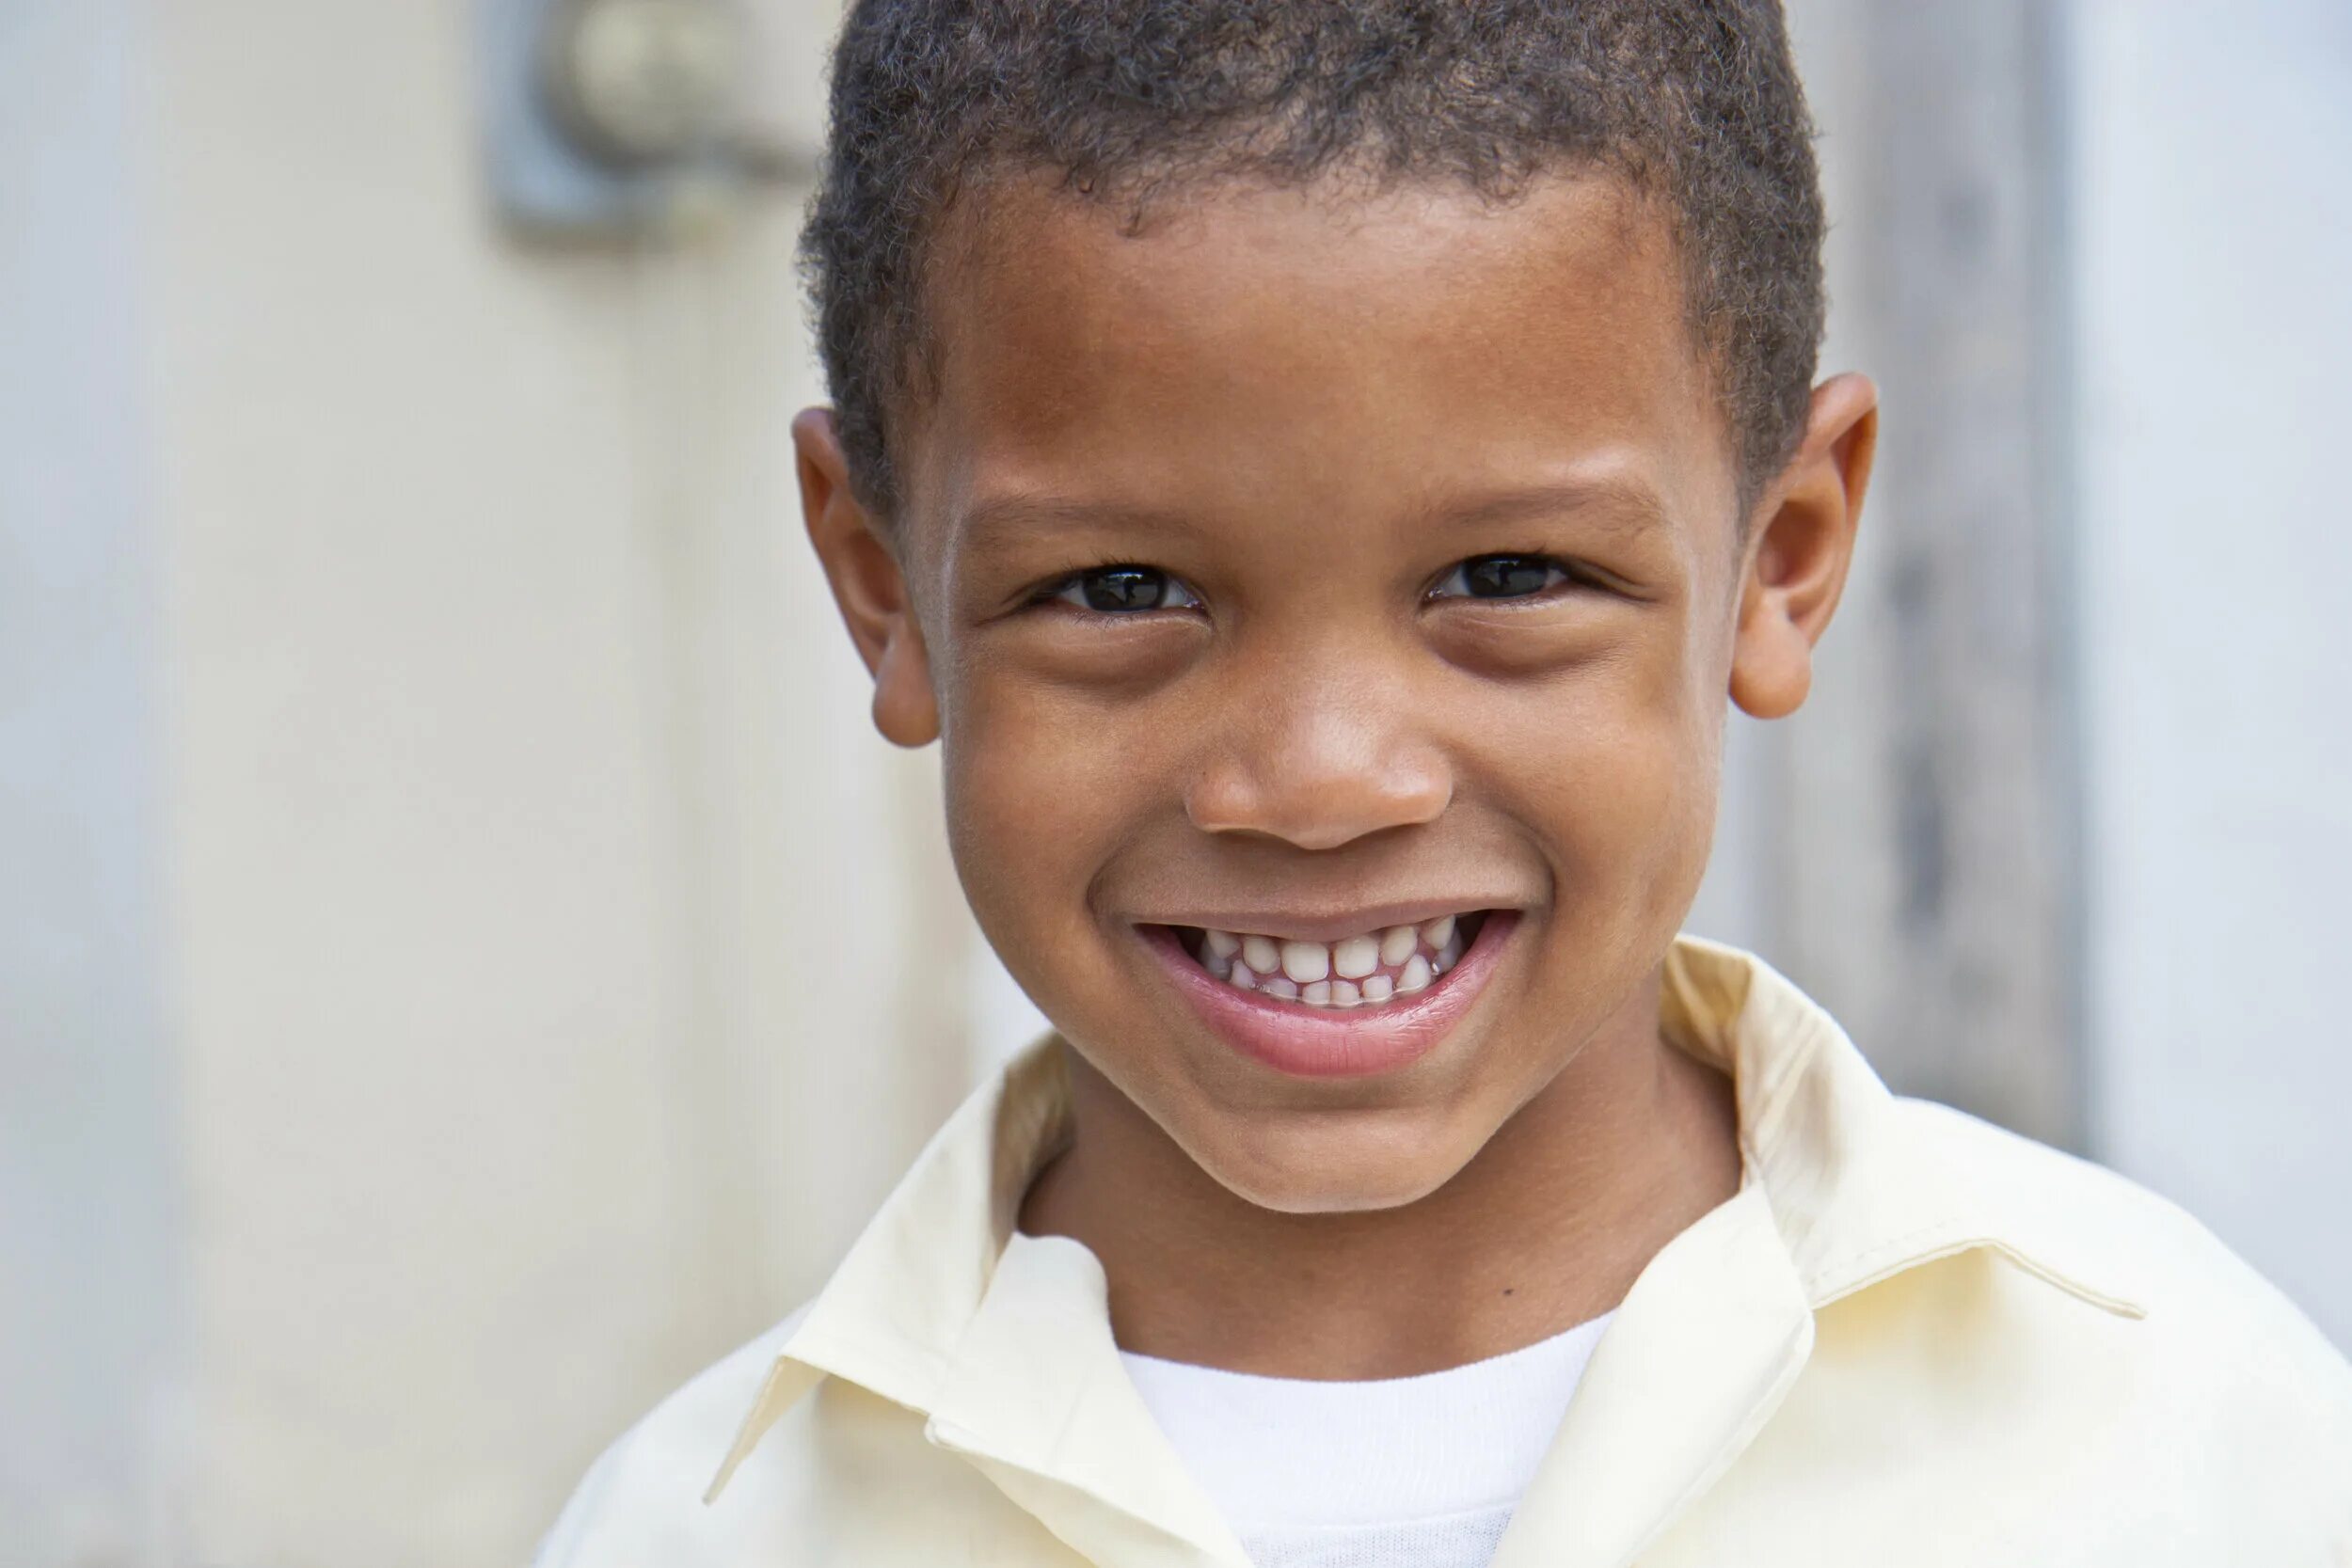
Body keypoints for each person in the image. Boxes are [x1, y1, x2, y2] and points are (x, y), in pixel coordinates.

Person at [535, 3, 2352, 1563]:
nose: (1321, 783)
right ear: (882, 589)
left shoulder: (2182, 1444)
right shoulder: (705, 1529)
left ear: (1782, 557)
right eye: (1117, 592)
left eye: (1506, 581)